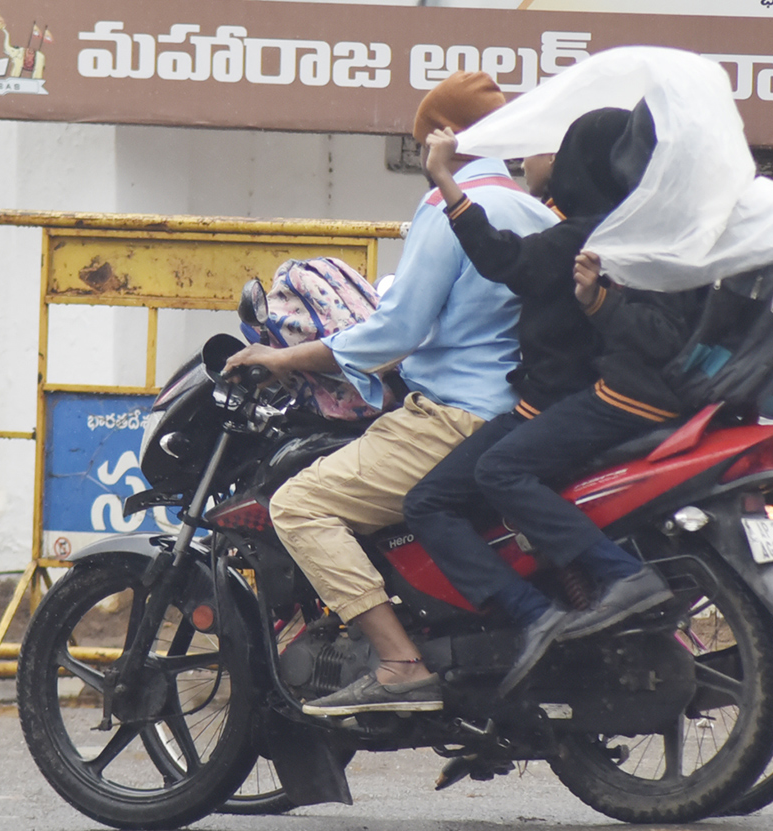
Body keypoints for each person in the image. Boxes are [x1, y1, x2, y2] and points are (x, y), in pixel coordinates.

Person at [223, 71, 559, 716]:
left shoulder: (448, 206)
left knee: (299, 505)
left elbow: (400, 329)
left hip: (452, 416)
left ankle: (400, 662)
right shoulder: (530, 207)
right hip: (515, 413)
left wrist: (284, 356)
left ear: (445, 137)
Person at [405, 108, 701, 693]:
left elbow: (505, 260)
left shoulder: (589, 233)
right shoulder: (628, 228)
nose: (535, 161)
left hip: (568, 399)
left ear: (584, 165)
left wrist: (445, 181)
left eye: (554, 152)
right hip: (581, 394)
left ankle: (538, 612)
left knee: (448, 494)